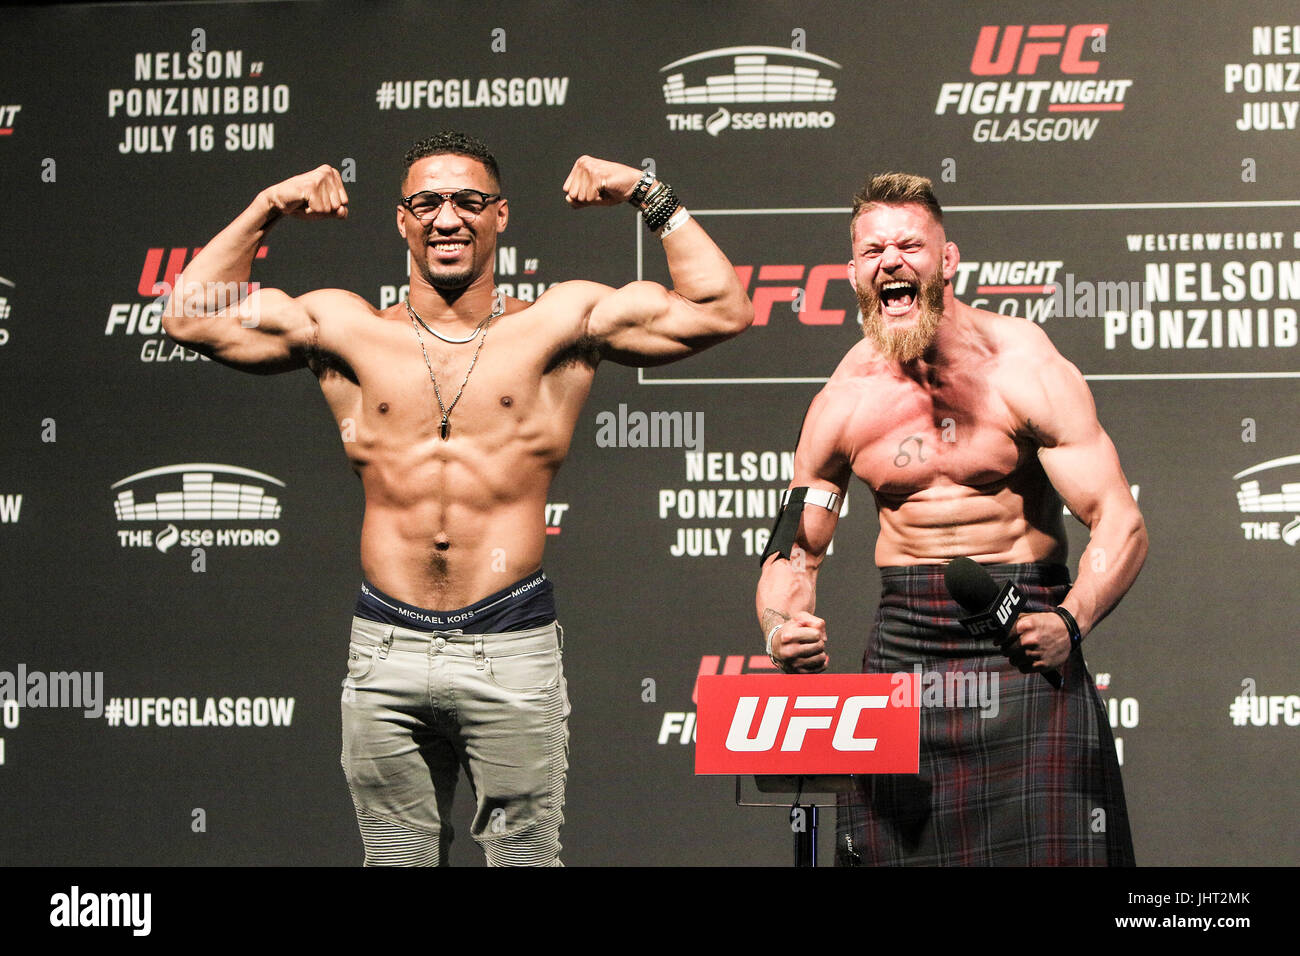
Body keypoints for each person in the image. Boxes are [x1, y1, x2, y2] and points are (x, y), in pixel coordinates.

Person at [163, 131, 751, 866]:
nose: (448, 218)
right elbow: (188, 315)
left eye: (469, 201)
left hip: (510, 642)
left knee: (526, 859)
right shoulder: (343, 327)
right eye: (428, 203)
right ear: (402, 221)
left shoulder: (559, 322)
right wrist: (267, 206)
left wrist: (644, 191)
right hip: (386, 646)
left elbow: (722, 308)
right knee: (394, 858)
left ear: (500, 215)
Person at [754, 172, 1146, 866]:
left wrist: (1070, 622)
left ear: (948, 260)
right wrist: (782, 626)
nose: (891, 262)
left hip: (1023, 642)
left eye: (910, 245)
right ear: (852, 272)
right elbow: (794, 551)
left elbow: (1118, 521)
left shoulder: (1024, 366)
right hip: (906, 652)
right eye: (873, 251)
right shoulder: (843, 401)